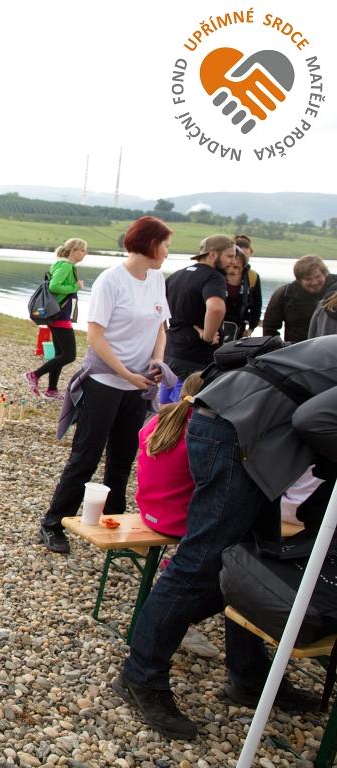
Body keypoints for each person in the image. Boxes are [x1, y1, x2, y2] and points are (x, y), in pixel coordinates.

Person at [115, 336, 337, 740]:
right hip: (234, 430)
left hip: (248, 429)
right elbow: (312, 419)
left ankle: (249, 676)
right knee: (199, 564)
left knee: (254, 562)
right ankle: (140, 675)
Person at [39, 216, 172, 554]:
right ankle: (53, 523)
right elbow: (95, 337)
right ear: (149, 244)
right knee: (85, 457)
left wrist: (157, 360)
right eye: (165, 245)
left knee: (122, 460)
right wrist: (126, 374)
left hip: (137, 385)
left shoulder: (157, 279)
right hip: (104, 382)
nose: (168, 252)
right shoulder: (111, 280)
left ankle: (115, 526)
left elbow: (160, 327)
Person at [134, 372, 220, 659]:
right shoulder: (203, 432)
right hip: (178, 522)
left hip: (149, 510)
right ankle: (183, 612)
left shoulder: (160, 418)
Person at [162, 234, 235, 379]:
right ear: (213, 255)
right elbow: (216, 308)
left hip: (170, 354)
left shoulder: (177, 275)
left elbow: (156, 307)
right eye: (229, 256)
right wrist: (208, 336)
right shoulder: (214, 277)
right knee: (189, 395)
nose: (233, 261)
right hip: (196, 362)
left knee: (167, 394)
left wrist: (165, 333)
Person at [24, 237, 86, 400]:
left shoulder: (62, 264)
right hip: (60, 315)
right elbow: (54, 286)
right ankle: (34, 375)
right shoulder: (66, 266)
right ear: (73, 251)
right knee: (69, 355)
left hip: (56, 314)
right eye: (82, 250)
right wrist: (75, 286)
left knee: (60, 353)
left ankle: (51, 390)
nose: (84, 254)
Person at [262, 255, 337, 343]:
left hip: (330, 346)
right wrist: (277, 347)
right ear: (299, 280)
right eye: (308, 279)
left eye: (318, 277)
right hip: (297, 347)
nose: (314, 282)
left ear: (325, 274)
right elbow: (269, 327)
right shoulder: (285, 294)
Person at [224, 235, 262, 336]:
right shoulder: (217, 274)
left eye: (246, 257)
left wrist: (251, 329)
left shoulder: (252, 277)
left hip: (240, 330)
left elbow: (257, 306)